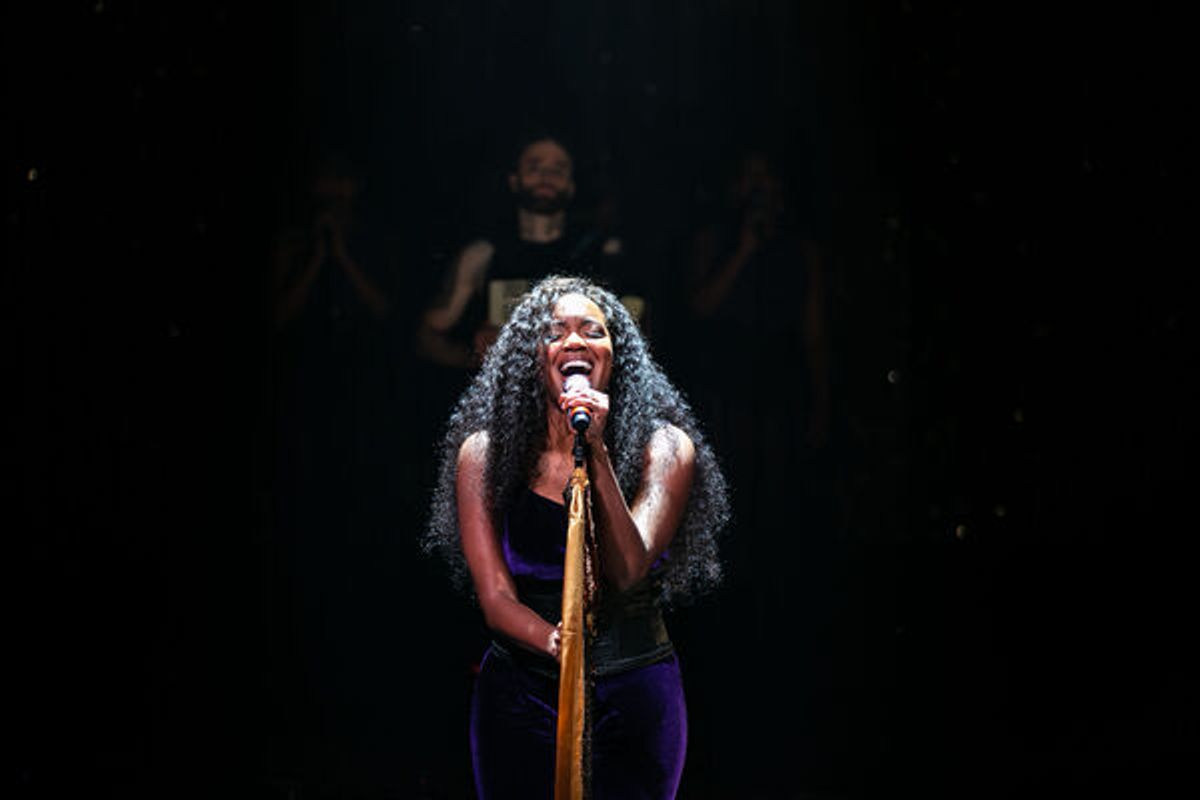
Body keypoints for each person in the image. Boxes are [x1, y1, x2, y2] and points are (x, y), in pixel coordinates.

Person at [424, 276, 729, 799]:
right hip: (522, 689)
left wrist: (597, 452)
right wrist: (555, 644)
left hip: (634, 687)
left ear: (618, 355)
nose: (574, 341)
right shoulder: (486, 454)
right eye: (554, 332)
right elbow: (495, 598)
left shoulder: (666, 447)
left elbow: (627, 567)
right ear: (531, 360)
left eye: (593, 331)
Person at [415, 135, 632, 370]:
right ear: (514, 180)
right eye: (534, 166)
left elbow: (637, 340)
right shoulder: (481, 255)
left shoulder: (601, 254)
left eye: (558, 169)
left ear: (571, 186)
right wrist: (475, 358)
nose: (546, 176)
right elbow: (426, 337)